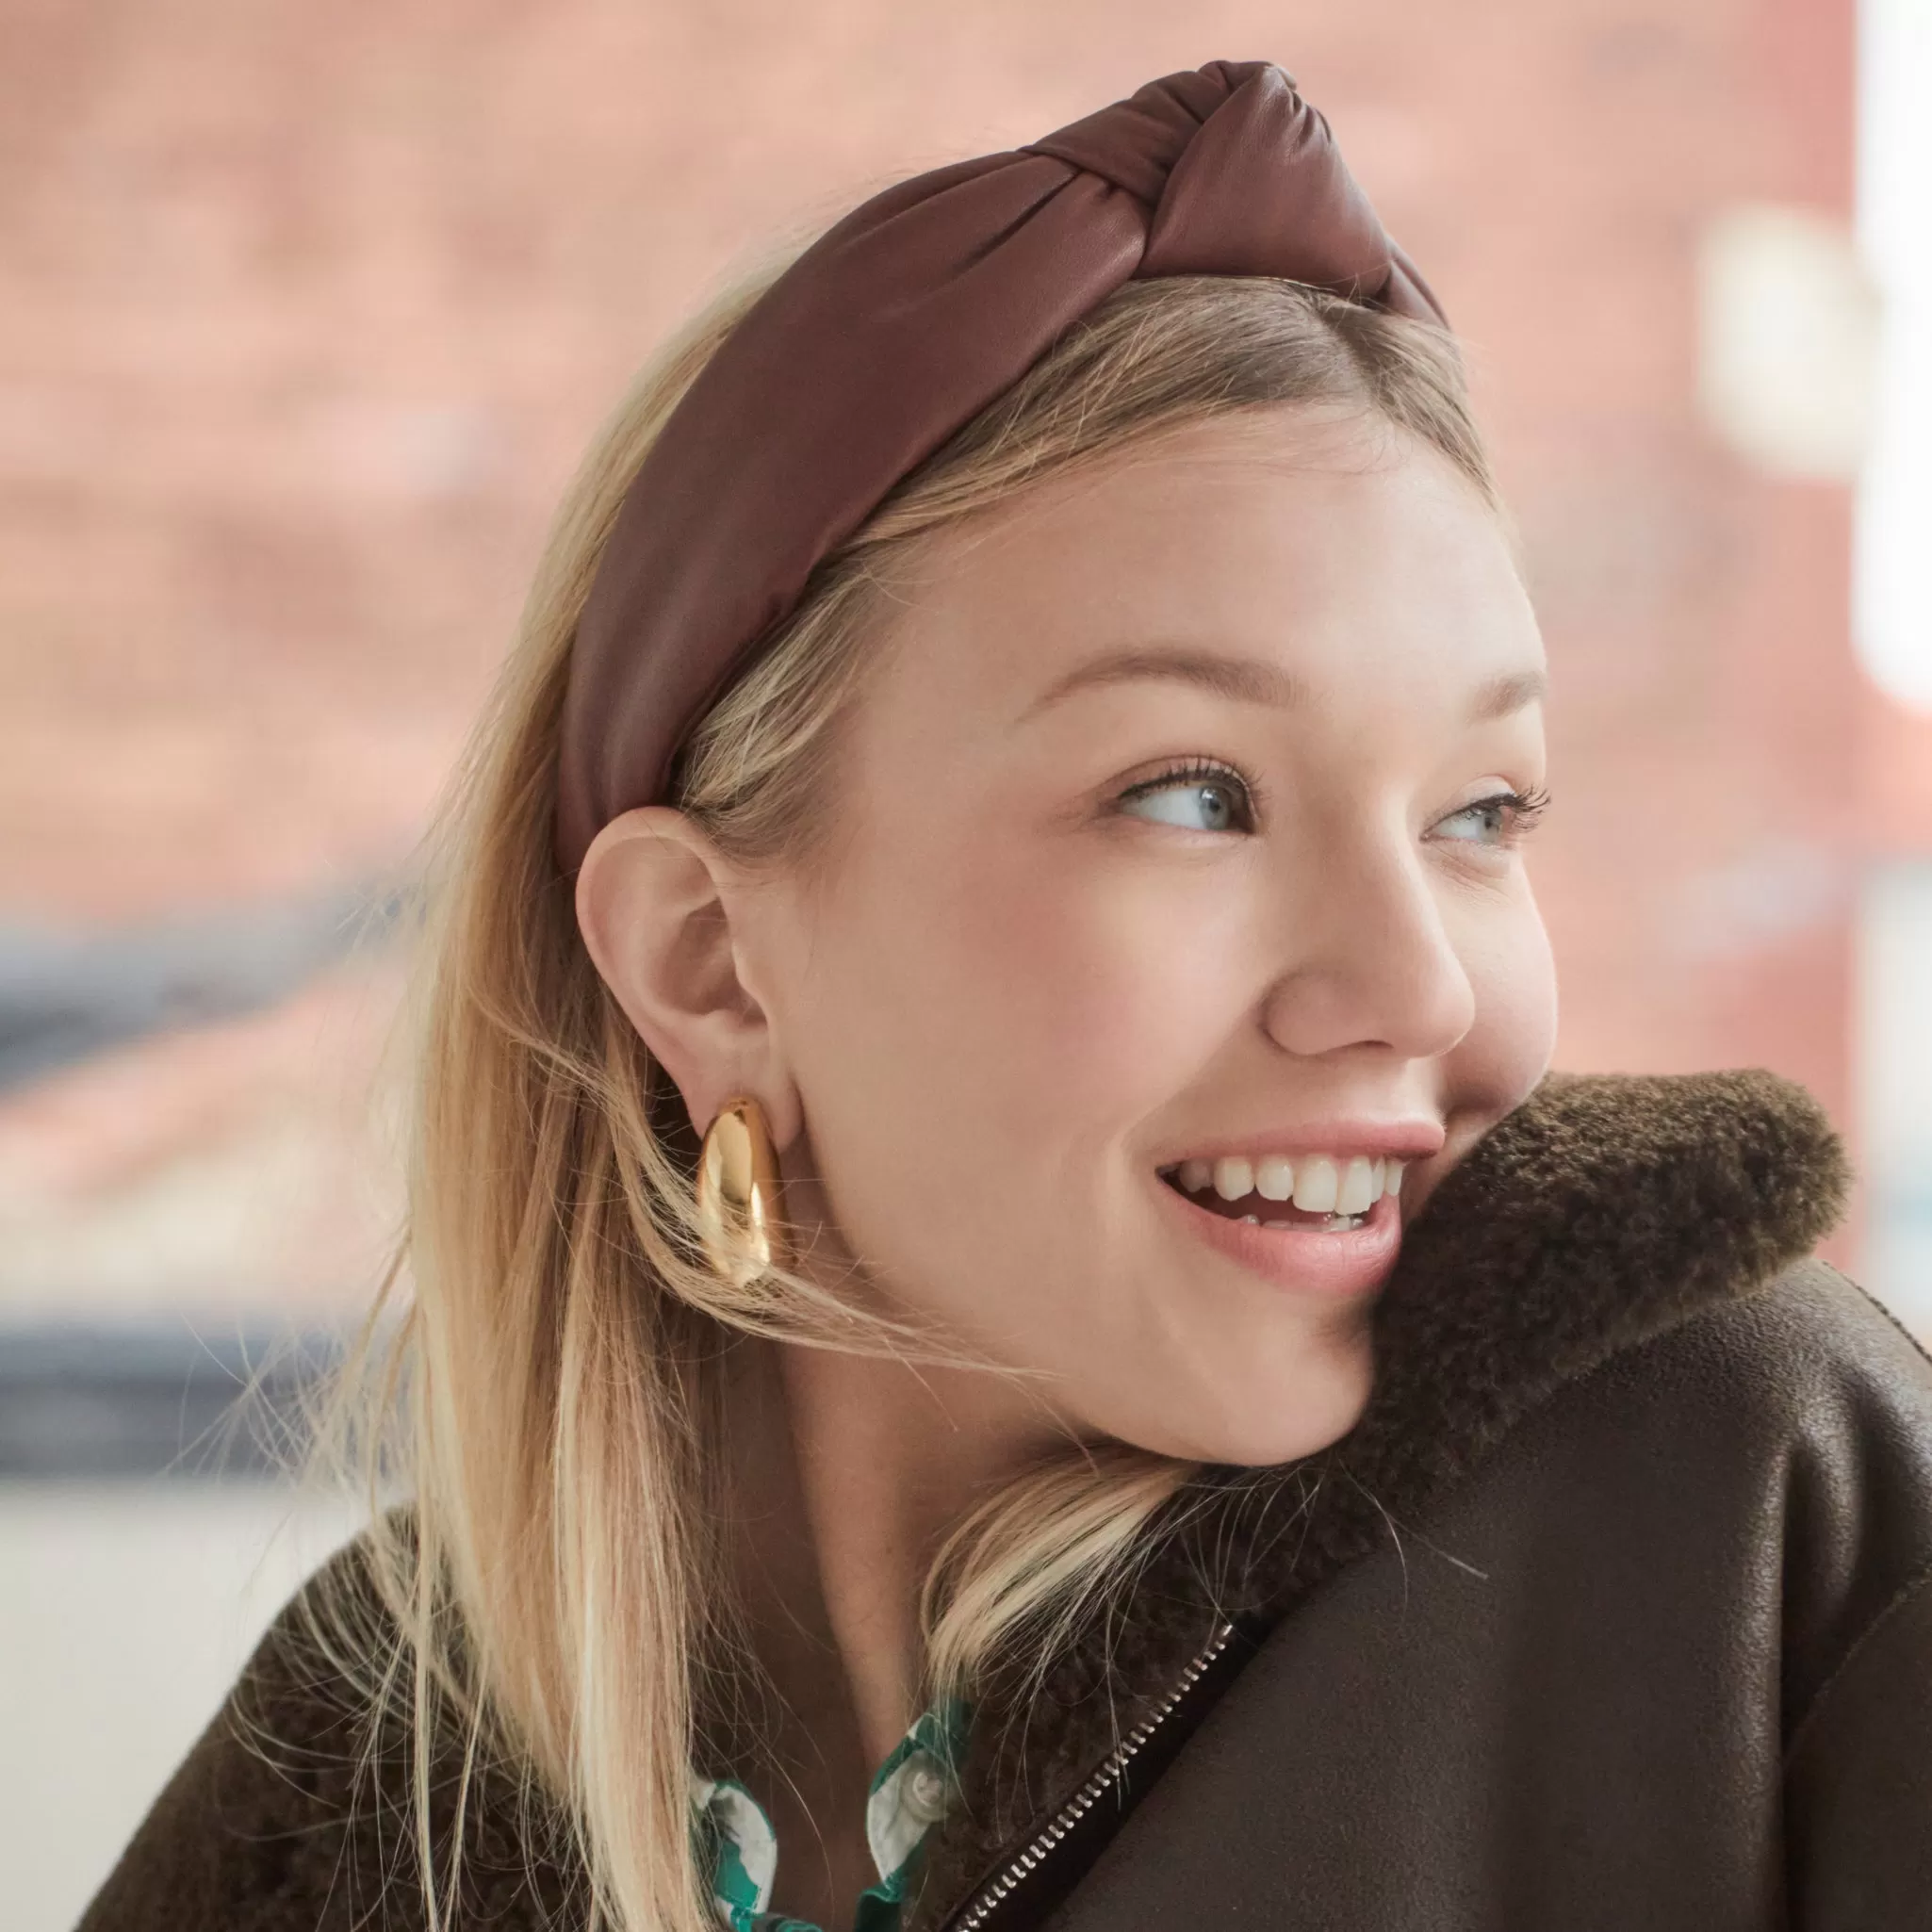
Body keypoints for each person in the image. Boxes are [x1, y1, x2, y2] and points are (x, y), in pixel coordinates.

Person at [76, 57, 1932, 1932]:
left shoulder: (1749, 1511)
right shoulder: (358, 1773)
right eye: (1190, 794)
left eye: (1480, 810)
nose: (1414, 987)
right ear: (710, 964)